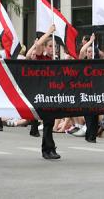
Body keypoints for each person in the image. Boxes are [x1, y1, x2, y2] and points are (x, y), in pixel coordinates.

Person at [34, 24, 60, 160]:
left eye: (55, 46)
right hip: (44, 94)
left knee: (50, 123)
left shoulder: (55, 61)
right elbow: (38, 45)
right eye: (50, 46)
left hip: (53, 94)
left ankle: (47, 149)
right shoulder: (41, 58)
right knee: (48, 122)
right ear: (45, 48)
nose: (53, 49)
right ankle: (49, 149)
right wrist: (48, 32)